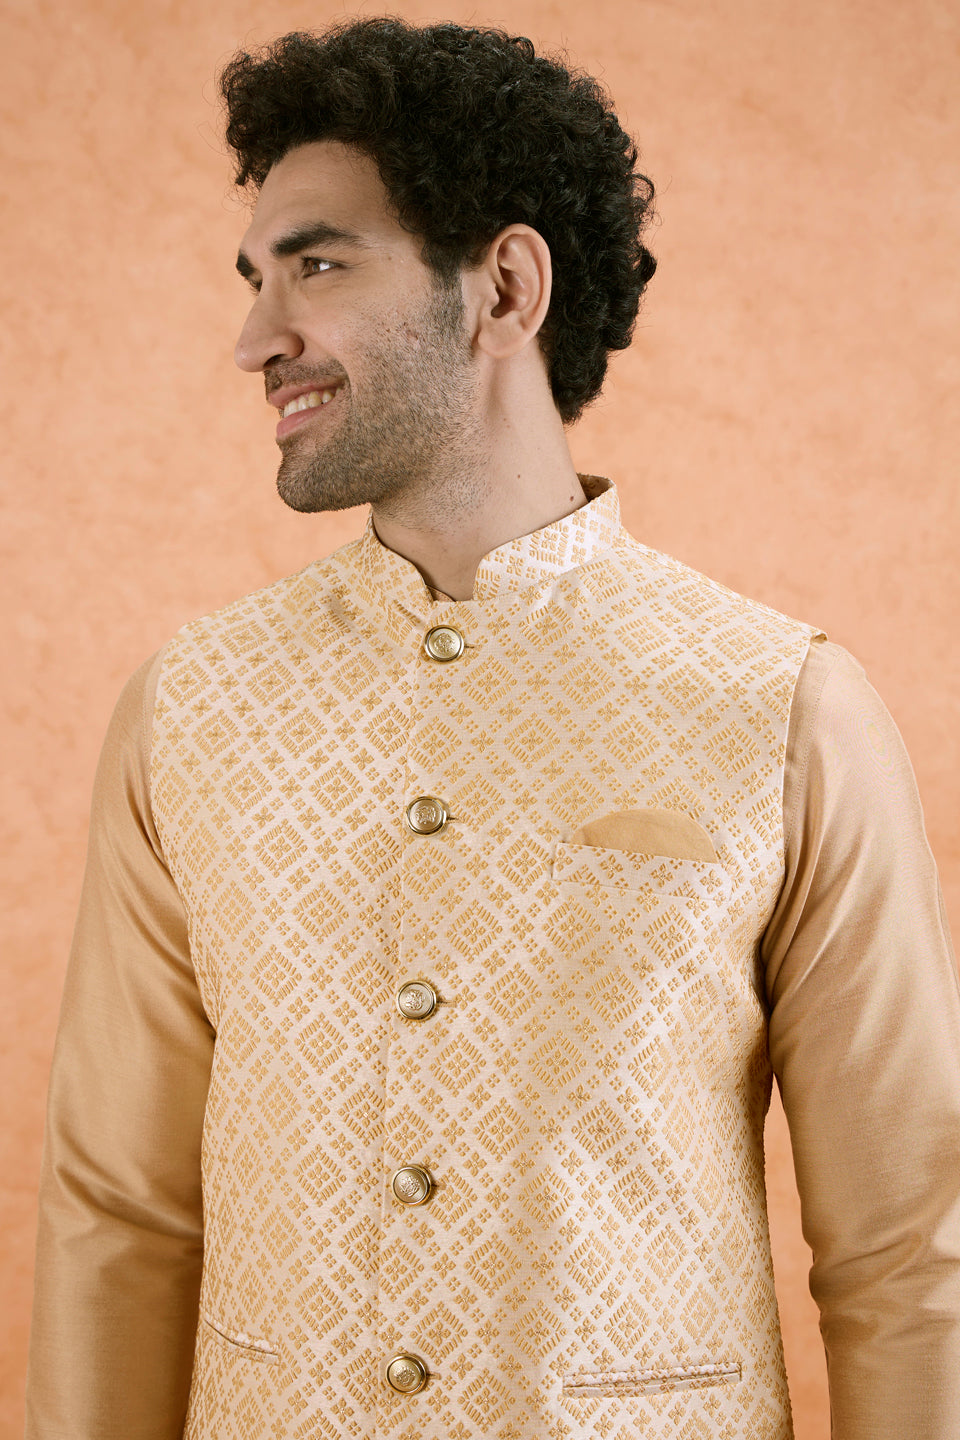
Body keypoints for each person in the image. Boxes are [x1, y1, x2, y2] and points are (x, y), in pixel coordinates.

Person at [25, 18, 960, 1440]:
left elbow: (910, 1249)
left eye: (318, 265)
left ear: (505, 288)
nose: (255, 338)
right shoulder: (192, 710)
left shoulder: (782, 708)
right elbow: (120, 1217)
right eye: (254, 278)